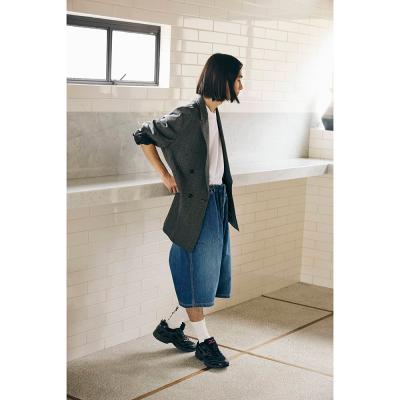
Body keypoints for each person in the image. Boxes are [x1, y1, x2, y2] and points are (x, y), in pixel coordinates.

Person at [133, 53, 243, 369]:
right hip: (198, 206)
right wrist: (165, 175)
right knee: (195, 272)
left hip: (217, 202)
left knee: (204, 274)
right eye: (238, 78)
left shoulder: (212, 113)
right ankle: (205, 344)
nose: (241, 85)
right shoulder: (187, 115)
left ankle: (169, 328)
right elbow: (143, 134)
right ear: (223, 79)